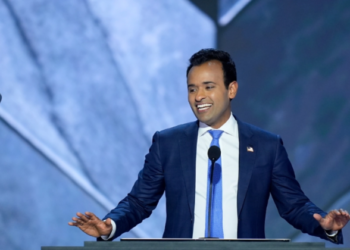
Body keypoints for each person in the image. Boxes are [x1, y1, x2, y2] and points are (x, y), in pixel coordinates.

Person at [68, 49, 349, 243]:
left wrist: (324, 225)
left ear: (231, 89)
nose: (198, 96)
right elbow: (140, 201)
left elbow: (294, 205)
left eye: (208, 86)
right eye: (192, 89)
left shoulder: (266, 146)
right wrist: (109, 226)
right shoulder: (168, 143)